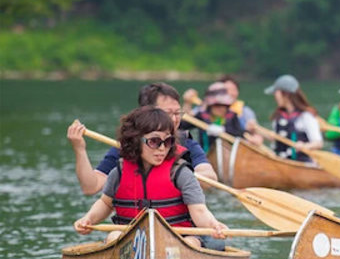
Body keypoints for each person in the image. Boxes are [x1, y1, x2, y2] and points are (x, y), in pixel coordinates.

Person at [72, 106, 228, 250]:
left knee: (191, 242)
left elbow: (199, 211)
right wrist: (89, 219)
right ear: (135, 140)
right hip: (132, 239)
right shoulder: (119, 172)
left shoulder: (180, 173)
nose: (161, 148)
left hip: (178, 237)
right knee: (114, 236)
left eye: (167, 141)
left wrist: (213, 225)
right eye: (154, 141)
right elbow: (106, 203)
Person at [66, 83, 217, 195]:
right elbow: (90, 187)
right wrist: (79, 149)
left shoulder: (186, 143)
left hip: (181, 226)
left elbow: (209, 177)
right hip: (137, 227)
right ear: (148, 113)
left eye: (178, 113)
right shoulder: (127, 147)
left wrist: (174, 178)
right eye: (167, 113)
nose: (174, 119)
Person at [250, 74, 324, 162]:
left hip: (301, 163)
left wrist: (304, 146)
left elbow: (318, 143)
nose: (274, 96)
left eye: (276, 93)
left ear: (286, 94)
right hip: (280, 161)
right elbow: (276, 137)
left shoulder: (306, 116)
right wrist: (256, 129)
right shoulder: (278, 116)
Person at [180, 82, 245, 151]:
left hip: (227, 154)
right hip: (205, 155)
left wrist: (225, 130)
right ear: (210, 106)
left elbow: (240, 135)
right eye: (217, 105)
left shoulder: (232, 116)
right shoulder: (202, 116)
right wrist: (187, 103)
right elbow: (182, 125)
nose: (220, 108)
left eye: (224, 105)